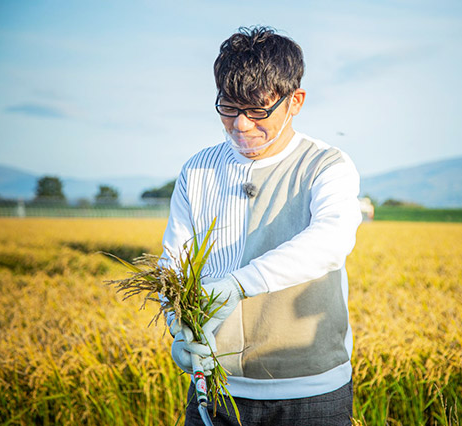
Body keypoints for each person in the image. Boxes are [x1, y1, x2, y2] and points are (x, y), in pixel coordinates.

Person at [160, 26, 362, 426]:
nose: (241, 126)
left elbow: (331, 240)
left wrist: (237, 285)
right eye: (229, 108)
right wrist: (177, 328)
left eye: (258, 111)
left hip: (311, 391)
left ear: (295, 102)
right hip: (216, 389)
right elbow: (173, 263)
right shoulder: (198, 170)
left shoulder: (326, 165)